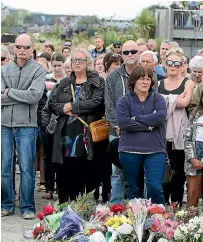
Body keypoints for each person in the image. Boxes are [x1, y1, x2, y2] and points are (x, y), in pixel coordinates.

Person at [48, 48, 105, 203]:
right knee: (67, 172)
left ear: (88, 63)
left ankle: (87, 206)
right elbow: (52, 104)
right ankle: (67, 205)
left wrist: (71, 106)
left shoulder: (97, 81)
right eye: (74, 60)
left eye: (81, 60)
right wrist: (63, 109)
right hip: (66, 133)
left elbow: (97, 102)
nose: (77, 63)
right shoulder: (64, 82)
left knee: (87, 171)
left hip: (87, 134)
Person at [1, 34, 46, 219]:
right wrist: (21, 96)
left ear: (32, 48)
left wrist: (9, 92)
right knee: (5, 167)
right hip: (4, 124)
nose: (22, 51)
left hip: (27, 125)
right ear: (14, 48)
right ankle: (6, 204)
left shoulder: (38, 70)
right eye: (19, 47)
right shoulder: (4, 70)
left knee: (27, 167)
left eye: (26, 47)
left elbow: (34, 96)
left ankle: (27, 207)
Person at [116, 65, 167, 203]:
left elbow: (160, 117)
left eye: (148, 79)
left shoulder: (158, 99)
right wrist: (148, 126)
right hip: (129, 150)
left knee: (155, 187)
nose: (145, 82)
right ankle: (137, 219)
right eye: (141, 79)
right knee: (134, 189)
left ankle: (159, 219)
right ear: (133, 81)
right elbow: (124, 123)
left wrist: (136, 118)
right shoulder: (124, 101)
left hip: (155, 150)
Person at [105, 40, 140, 205]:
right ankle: (116, 207)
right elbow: (109, 104)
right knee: (117, 171)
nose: (130, 55)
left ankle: (138, 207)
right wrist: (118, 125)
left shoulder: (149, 75)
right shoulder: (113, 76)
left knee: (139, 170)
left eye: (133, 51)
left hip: (141, 132)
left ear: (138, 53)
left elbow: (152, 103)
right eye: (126, 52)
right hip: (117, 131)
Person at [158, 48, 195, 206]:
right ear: (165, 64)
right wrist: (174, 100)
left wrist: (164, 99)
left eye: (176, 63)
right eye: (170, 63)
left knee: (179, 170)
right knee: (163, 169)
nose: (173, 66)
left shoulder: (188, 82)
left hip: (180, 133)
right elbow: (155, 103)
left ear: (182, 66)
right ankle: (163, 204)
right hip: (161, 131)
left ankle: (177, 204)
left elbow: (185, 103)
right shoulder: (159, 83)